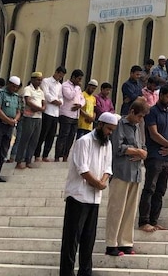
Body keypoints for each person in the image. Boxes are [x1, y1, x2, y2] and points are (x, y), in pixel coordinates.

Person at [59, 112, 117, 276]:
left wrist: (103, 181)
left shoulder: (107, 144)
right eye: (108, 129)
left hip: (94, 198)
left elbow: (108, 168)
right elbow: (82, 169)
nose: (110, 133)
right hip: (78, 196)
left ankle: (85, 273)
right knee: (71, 240)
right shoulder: (83, 142)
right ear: (100, 125)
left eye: (112, 130)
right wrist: (97, 183)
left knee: (88, 240)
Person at [105, 98, 149, 257]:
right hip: (121, 171)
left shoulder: (139, 127)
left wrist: (141, 153)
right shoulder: (119, 125)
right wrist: (136, 152)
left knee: (130, 209)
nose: (141, 119)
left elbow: (143, 146)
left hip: (136, 172)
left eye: (143, 117)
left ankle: (125, 242)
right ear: (132, 112)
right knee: (117, 208)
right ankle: (111, 243)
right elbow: (118, 147)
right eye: (139, 116)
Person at [139, 85, 168, 232]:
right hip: (154, 156)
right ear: (160, 95)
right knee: (150, 189)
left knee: (160, 190)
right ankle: (144, 221)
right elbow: (153, 133)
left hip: (166, 158)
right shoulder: (151, 112)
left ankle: (154, 221)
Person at [0, 76, 21, 182]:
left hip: (10, 126)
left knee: (4, 150)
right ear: (9, 84)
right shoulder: (0, 93)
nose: (14, 89)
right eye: (13, 86)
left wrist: (14, 120)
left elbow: (18, 111)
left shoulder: (16, 96)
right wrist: (7, 119)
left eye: (16, 87)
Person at [15, 72, 46, 170]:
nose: (39, 81)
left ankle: (28, 160)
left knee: (34, 140)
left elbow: (44, 103)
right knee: (24, 139)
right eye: (37, 79)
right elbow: (28, 101)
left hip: (38, 118)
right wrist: (39, 108)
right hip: (29, 117)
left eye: (40, 80)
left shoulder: (41, 91)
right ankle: (19, 161)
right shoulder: (28, 89)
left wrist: (42, 108)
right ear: (32, 79)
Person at [37, 67, 66, 162]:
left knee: (51, 135)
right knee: (43, 134)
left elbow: (61, 97)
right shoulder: (46, 81)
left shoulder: (60, 85)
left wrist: (60, 102)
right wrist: (54, 100)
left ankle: (45, 154)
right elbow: (45, 94)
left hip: (56, 113)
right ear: (56, 72)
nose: (60, 77)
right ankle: (37, 154)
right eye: (59, 75)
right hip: (47, 110)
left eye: (62, 76)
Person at [56, 69, 84, 162]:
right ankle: (57, 156)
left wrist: (80, 105)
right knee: (63, 135)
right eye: (78, 79)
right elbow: (69, 96)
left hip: (75, 115)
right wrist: (76, 87)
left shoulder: (78, 88)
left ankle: (65, 156)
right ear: (73, 77)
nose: (79, 81)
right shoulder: (65, 85)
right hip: (66, 114)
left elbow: (82, 99)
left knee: (71, 137)